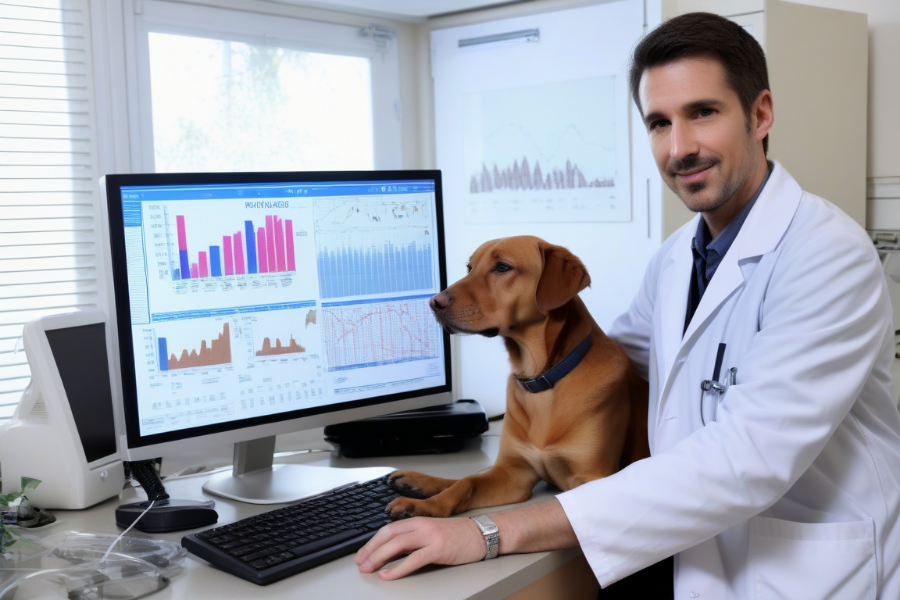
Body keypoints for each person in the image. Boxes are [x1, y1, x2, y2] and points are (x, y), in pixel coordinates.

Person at [355, 12, 900, 598]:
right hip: (698, 559)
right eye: (659, 123)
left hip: (809, 574)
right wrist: (527, 391)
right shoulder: (674, 261)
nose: (680, 147)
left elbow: (747, 459)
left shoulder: (827, 254)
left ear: (760, 114)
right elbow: (612, 366)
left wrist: (490, 531)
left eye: (703, 113)